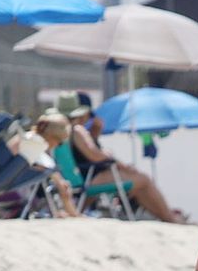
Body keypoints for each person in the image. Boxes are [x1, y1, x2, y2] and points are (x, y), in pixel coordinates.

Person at [65, 93, 184, 222]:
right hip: (92, 177)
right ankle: (170, 218)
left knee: (139, 184)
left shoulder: (67, 131)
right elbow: (95, 156)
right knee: (143, 180)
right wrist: (121, 165)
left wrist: (96, 131)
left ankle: (168, 217)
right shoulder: (78, 130)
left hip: (89, 175)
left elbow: (88, 153)